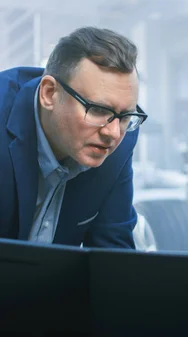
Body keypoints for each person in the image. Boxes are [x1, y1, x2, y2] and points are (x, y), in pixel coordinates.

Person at [0, 27, 147, 248]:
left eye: (126, 116)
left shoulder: (120, 143)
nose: (113, 133)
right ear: (49, 93)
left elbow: (113, 256)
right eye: (97, 110)